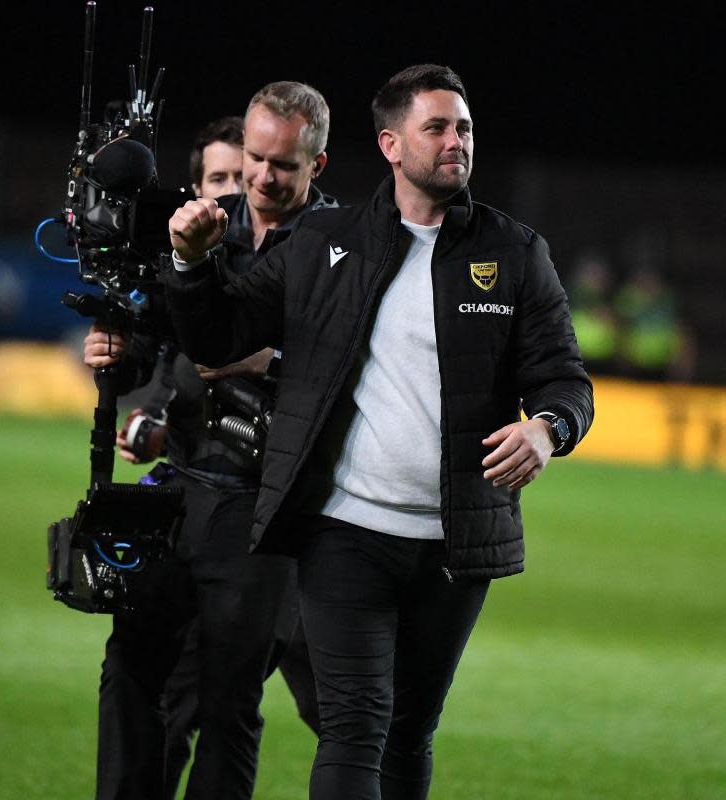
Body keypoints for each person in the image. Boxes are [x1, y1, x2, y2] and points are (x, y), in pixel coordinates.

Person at [161, 64, 594, 799]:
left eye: (463, 127)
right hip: (344, 534)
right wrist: (190, 262)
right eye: (437, 127)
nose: (456, 141)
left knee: (409, 733)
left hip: (456, 545)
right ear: (392, 145)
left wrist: (548, 430)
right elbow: (219, 333)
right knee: (355, 725)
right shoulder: (325, 241)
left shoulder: (516, 253)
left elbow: (564, 379)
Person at [83, 83, 337, 800]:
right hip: (182, 488)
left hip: (266, 508)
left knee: (228, 700)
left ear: (318, 164)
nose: (260, 177)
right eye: (253, 159)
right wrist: (115, 350)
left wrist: (268, 361)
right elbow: (156, 344)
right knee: (129, 667)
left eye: (282, 166)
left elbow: (354, 369)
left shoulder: (342, 249)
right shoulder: (205, 225)